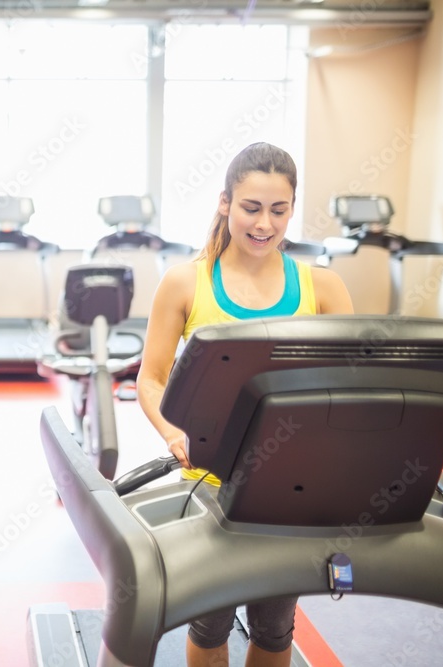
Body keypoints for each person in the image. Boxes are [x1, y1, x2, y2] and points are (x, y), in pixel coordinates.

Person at [136, 142, 353, 667]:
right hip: (209, 480)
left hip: (289, 486)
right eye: (251, 208)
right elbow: (152, 379)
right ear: (225, 203)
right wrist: (172, 433)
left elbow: (351, 386)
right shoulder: (187, 281)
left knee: (276, 626)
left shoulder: (322, 287)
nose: (264, 223)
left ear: (292, 209)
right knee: (208, 621)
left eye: (278, 210)